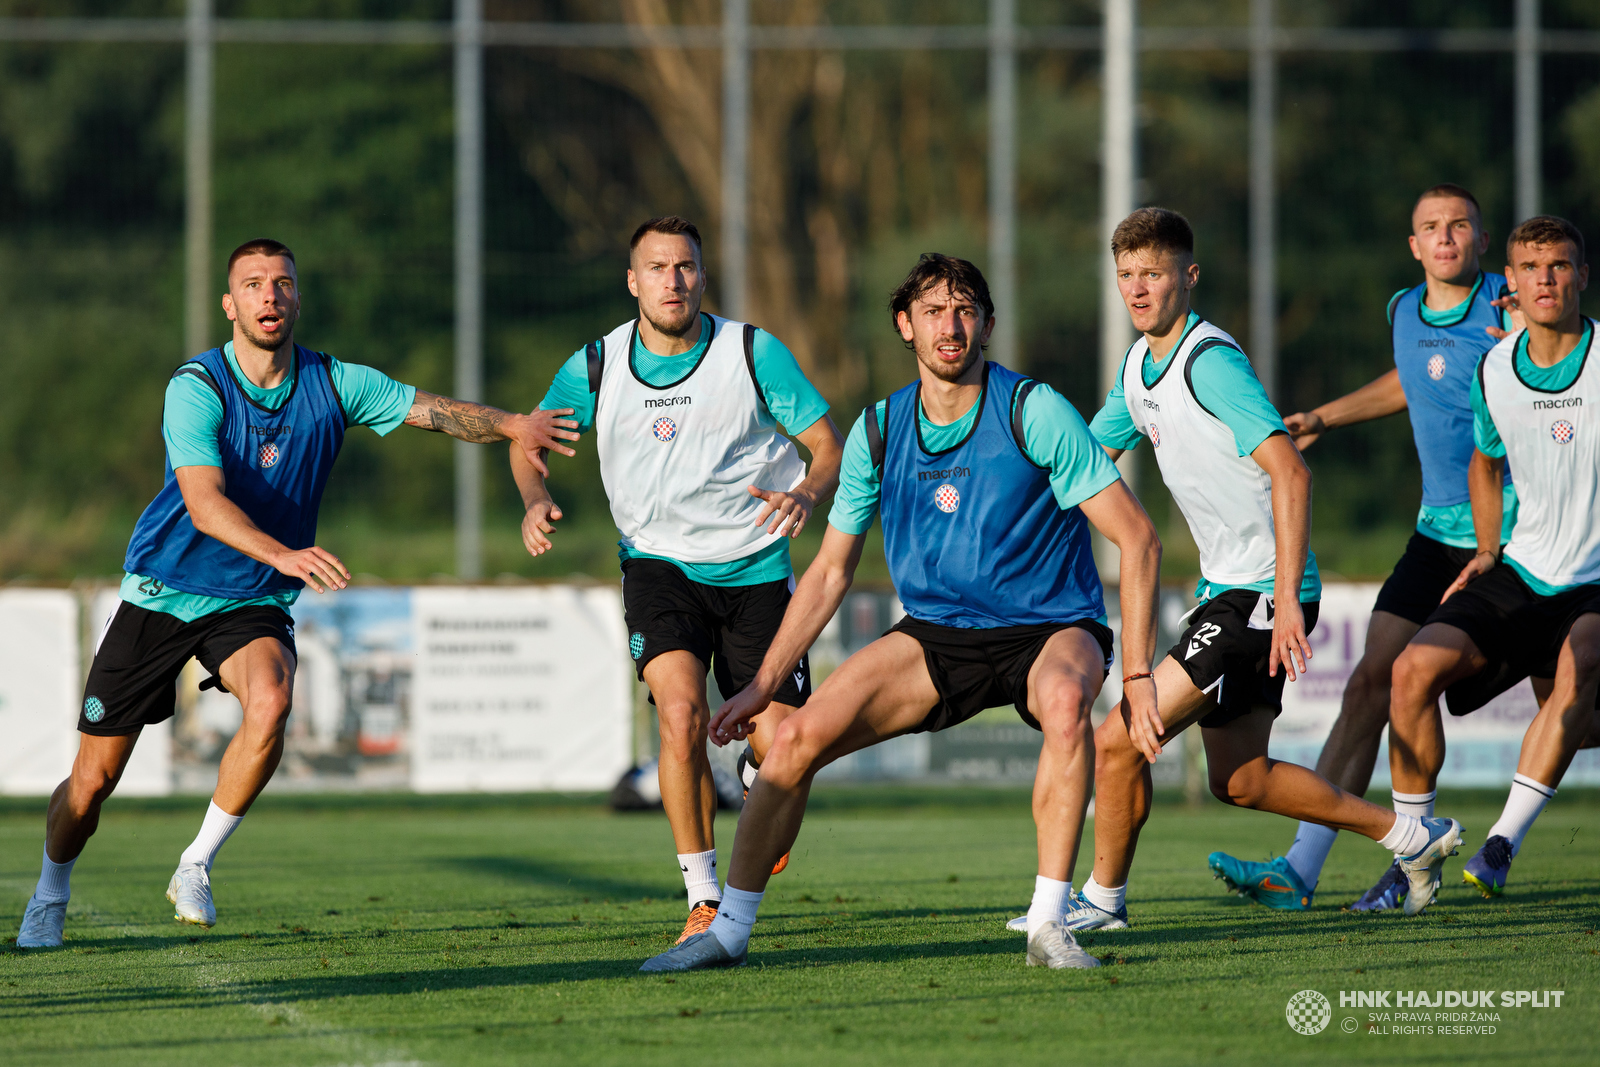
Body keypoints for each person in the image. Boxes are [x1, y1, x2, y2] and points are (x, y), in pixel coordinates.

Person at [16, 239, 576, 949]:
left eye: (282, 284)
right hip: (165, 590)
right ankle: (50, 890)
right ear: (230, 304)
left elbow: (430, 411)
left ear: (298, 299)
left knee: (274, 699)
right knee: (91, 784)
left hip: (251, 598)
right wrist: (285, 552)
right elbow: (203, 503)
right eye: (253, 285)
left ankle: (196, 863)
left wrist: (510, 424)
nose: (269, 297)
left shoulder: (332, 381)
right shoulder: (196, 385)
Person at [637, 252, 1164, 974]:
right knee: (789, 742)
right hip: (938, 632)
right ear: (904, 325)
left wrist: (1134, 673)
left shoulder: (1030, 408)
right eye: (934, 311)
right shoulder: (880, 428)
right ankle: (726, 930)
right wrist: (763, 685)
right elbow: (829, 572)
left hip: (1048, 626)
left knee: (1068, 706)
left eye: (965, 310)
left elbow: (1137, 537)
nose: (951, 326)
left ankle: (1048, 923)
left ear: (986, 323)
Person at [1065, 208, 1463, 934]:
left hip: (1257, 594)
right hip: (1233, 591)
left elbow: (1292, 472)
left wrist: (1282, 601)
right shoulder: (1135, 368)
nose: (1137, 288)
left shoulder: (1208, 360)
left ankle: (1101, 901)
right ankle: (1412, 837)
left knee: (1119, 736)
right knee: (1240, 779)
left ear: (1189, 275)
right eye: (1125, 275)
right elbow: (1082, 461)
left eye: (1153, 273)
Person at [510, 216, 844, 947]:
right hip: (657, 566)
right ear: (632, 280)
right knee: (681, 714)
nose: (673, 280)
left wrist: (808, 493)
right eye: (657, 268)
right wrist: (536, 498)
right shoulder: (598, 364)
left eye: (686, 266)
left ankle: (764, 783)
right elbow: (529, 440)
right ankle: (702, 893)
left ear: (703, 274)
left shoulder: (751, 352)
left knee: (787, 741)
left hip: (756, 570)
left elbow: (826, 446)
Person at [1208, 183, 1521, 912]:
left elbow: (1557, 374)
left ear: (1481, 238)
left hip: (1506, 540)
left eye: (1459, 226)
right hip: (1432, 534)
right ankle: (1304, 868)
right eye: (1430, 229)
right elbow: (1410, 383)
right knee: (1372, 684)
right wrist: (1326, 414)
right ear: (1413, 245)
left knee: (1553, 700)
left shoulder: (1509, 304)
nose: (1445, 238)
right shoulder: (1404, 310)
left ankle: (1416, 847)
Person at [1387, 215, 1600, 900]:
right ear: (1508, 281)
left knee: (1576, 669)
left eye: (1560, 265)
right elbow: (1484, 462)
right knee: (1411, 670)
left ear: (1582, 277)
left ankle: (1501, 843)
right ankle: (1413, 861)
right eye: (1532, 268)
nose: (1546, 279)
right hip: (1523, 567)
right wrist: (1486, 547)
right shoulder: (1495, 368)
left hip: (1594, 580)